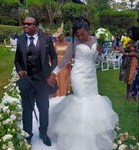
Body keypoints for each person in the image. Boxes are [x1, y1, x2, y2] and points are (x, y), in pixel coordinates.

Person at [47, 17, 118, 150]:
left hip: (91, 76)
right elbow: (65, 60)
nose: (80, 37)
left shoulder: (97, 40)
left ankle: (93, 135)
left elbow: (99, 60)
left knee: (93, 103)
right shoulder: (74, 43)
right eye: (78, 35)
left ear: (89, 31)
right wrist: (53, 73)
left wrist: (102, 52)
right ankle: (78, 139)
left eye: (83, 34)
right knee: (81, 103)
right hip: (78, 76)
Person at [14, 16, 57, 146]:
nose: (24, 26)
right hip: (27, 81)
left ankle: (43, 133)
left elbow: (54, 57)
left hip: (43, 81)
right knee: (27, 109)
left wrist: (52, 73)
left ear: (36, 27)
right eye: (24, 23)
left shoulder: (47, 39)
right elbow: (17, 60)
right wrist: (20, 70)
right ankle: (27, 135)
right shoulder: (21, 39)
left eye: (28, 24)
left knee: (43, 109)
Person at [52, 27, 71, 97]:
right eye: (59, 35)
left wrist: (69, 62)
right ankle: (57, 94)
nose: (60, 37)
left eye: (61, 35)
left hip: (65, 64)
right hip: (56, 64)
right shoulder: (54, 44)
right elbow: (52, 55)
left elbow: (70, 54)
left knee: (64, 78)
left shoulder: (68, 44)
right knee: (57, 79)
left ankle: (64, 93)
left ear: (64, 35)